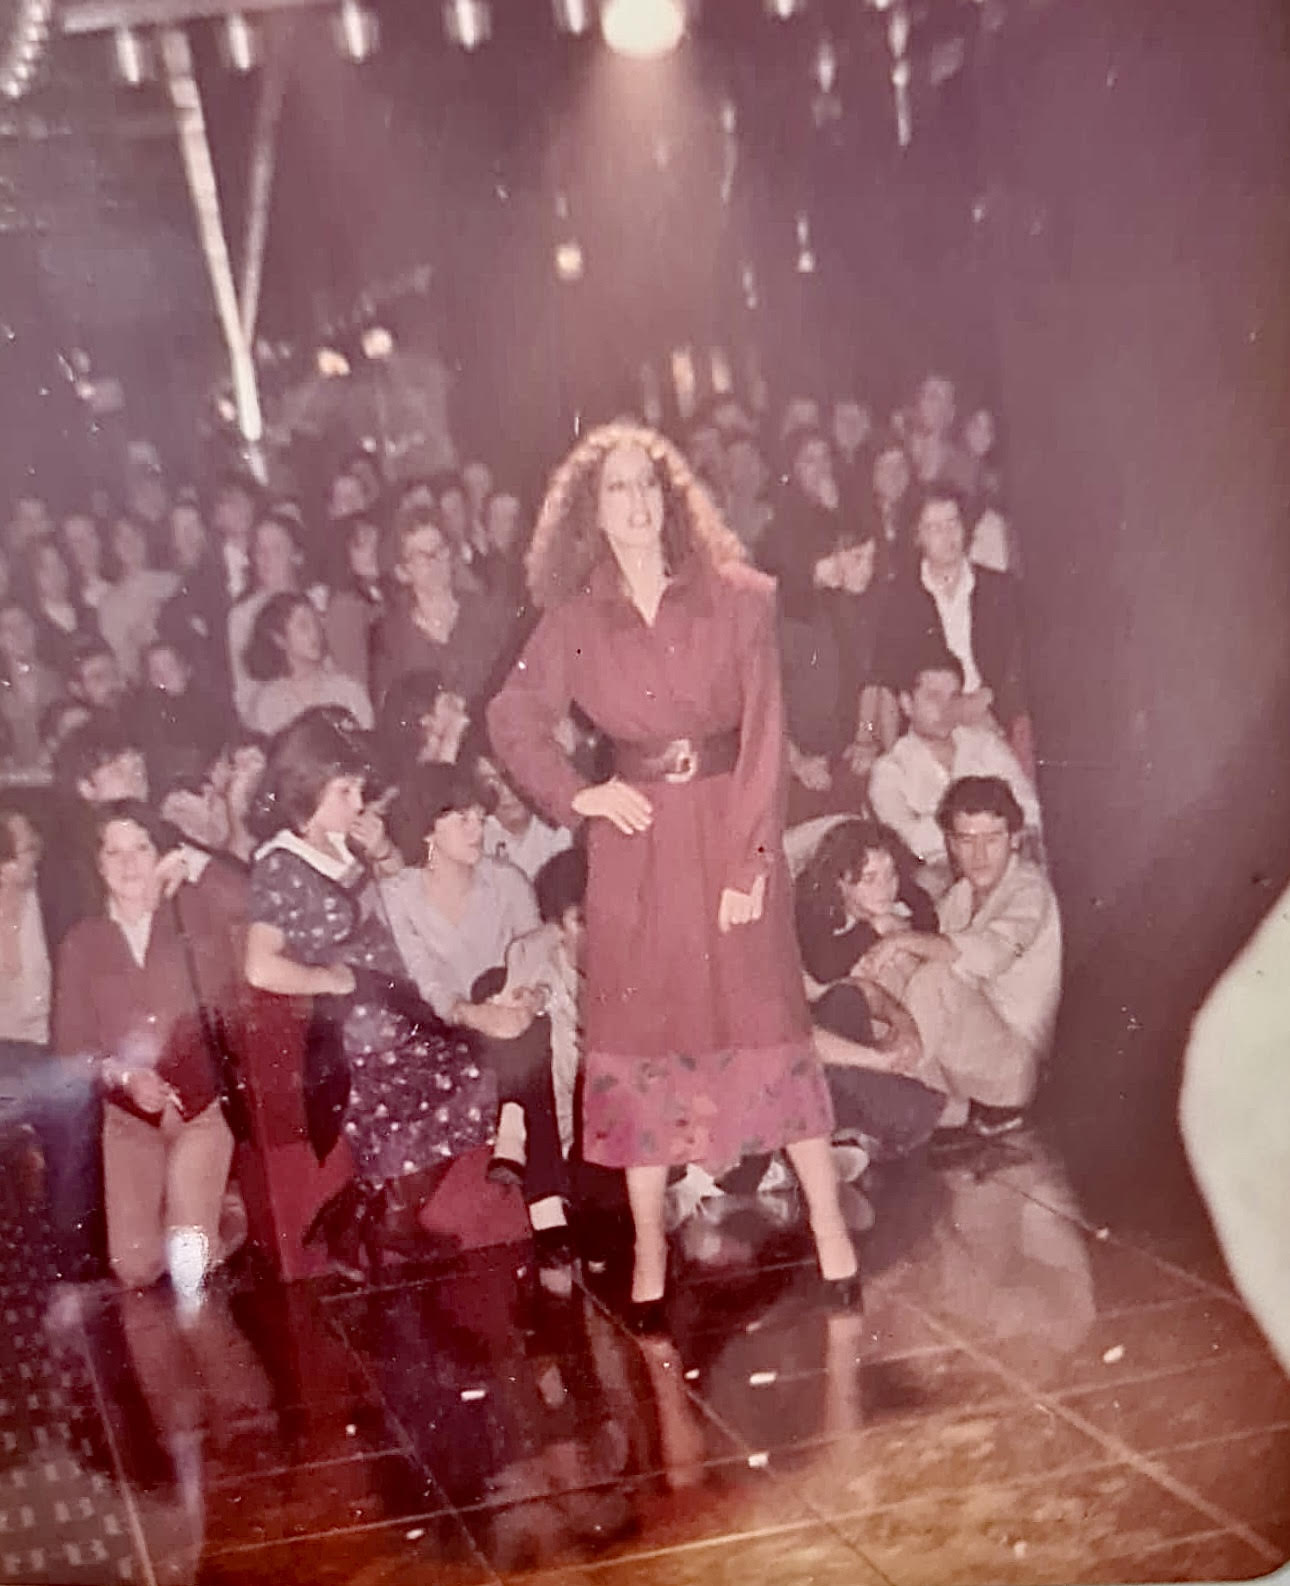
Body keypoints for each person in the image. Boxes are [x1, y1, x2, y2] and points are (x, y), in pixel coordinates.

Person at [487, 421, 860, 1329]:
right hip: (639, 855)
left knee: (769, 1024)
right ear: (591, 511)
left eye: (647, 484)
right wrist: (580, 795)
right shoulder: (575, 621)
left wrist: (753, 861)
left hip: (729, 836)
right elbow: (511, 718)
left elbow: (766, 736)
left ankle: (829, 1230)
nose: (635, 503)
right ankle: (651, 1251)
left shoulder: (738, 598)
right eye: (616, 488)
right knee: (641, 1041)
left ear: (672, 498)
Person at [243, 709, 496, 1280]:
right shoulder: (280, 864)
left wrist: (382, 852)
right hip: (356, 1021)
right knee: (473, 1074)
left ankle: (365, 1214)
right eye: (345, 791)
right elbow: (259, 966)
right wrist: (328, 980)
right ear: (306, 786)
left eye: (358, 789)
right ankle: (388, 1219)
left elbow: (406, 901)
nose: (358, 802)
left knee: (483, 1066)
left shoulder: (346, 840)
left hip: (401, 996)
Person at [52, 800, 248, 1292]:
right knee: (135, 1269)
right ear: (98, 866)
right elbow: (70, 1045)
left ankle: (223, 1209)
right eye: (113, 852)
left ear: (160, 855)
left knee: (187, 1265)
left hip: (201, 1110)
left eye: (141, 848)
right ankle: (188, 1209)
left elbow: (250, 900)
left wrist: (193, 863)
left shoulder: (190, 915)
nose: (128, 864)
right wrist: (124, 1075)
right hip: (131, 1119)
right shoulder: (83, 940)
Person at [380, 763, 572, 1264]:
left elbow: (538, 961)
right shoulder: (399, 894)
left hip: (516, 1016)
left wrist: (527, 1000)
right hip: (447, 1023)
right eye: (460, 818)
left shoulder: (506, 880)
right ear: (427, 828)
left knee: (514, 1005)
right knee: (502, 1006)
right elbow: (429, 984)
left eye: (478, 817)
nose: (477, 828)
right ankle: (545, 1200)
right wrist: (475, 1014)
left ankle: (516, 1132)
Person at [859, 776, 1062, 1139]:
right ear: (951, 843)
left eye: (992, 839)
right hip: (966, 1067)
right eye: (967, 840)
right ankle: (890, 1094)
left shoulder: (1029, 890)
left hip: (1013, 1071)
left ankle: (883, 1100)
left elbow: (988, 954)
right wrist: (888, 929)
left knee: (935, 977)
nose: (979, 855)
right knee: (888, 964)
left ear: (1015, 838)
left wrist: (903, 938)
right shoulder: (964, 892)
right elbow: (929, 937)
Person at [792, 819, 947, 1159]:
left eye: (890, 874)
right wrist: (876, 927)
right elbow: (823, 968)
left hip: (858, 1014)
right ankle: (915, 1108)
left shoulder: (896, 886)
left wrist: (898, 931)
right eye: (870, 879)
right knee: (842, 1002)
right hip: (812, 1024)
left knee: (850, 1000)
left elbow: (927, 919)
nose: (885, 888)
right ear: (840, 882)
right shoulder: (809, 904)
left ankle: (852, 1130)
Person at [0, 799, 101, 1279]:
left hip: (48, 1051)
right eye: (25, 849)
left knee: (73, 1093)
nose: (36, 855)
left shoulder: (57, 904)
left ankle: (69, 1250)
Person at [875, 484, 1031, 766]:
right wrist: (893, 760)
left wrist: (987, 703)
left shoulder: (999, 589)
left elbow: (1016, 671)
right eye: (935, 528)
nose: (948, 536)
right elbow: (888, 683)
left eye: (953, 523)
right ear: (917, 536)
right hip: (930, 728)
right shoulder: (900, 598)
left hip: (989, 720)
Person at [869, 650, 1042, 896]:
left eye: (954, 697)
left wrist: (937, 824)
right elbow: (908, 842)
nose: (946, 709)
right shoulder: (890, 770)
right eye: (933, 697)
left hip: (1008, 870)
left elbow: (1030, 810)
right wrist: (992, 823)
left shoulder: (986, 745)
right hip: (941, 882)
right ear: (907, 704)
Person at [371, 506, 511, 713]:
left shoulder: (486, 612)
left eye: (439, 550)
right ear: (402, 571)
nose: (434, 562)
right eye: (421, 556)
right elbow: (392, 712)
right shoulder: (393, 638)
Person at [244, 591, 374, 737]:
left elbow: (367, 742)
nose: (314, 633)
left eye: (316, 623)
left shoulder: (347, 690)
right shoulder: (269, 702)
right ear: (279, 639)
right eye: (304, 626)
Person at [228, 511, 307, 725]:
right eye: (260, 551)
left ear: (297, 555)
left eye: (276, 549)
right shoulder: (243, 616)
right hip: (271, 721)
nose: (266, 559)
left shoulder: (317, 604)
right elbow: (245, 689)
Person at [97, 516, 179, 683]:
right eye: (121, 538)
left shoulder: (173, 583)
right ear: (113, 547)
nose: (130, 543)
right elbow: (121, 665)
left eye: (135, 534)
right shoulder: (109, 605)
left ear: (146, 538)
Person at [477, 752, 574, 883]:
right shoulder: (476, 835)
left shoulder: (561, 831)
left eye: (511, 777)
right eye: (490, 781)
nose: (506, 791)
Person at [324, 513, 387, 695]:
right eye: (362, 545)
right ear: (344, 553)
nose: (373, 551)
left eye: (376, 542)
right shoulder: (345, 606)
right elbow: (353, 680)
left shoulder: (381, 594)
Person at [0, 601, 63, 773]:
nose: (19, 634)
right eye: (9, 628)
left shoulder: (56, 680)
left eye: (24, 625)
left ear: (35, 630)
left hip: (53, 778)